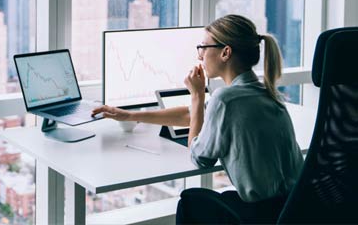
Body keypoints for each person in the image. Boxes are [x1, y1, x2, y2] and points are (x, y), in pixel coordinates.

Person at [91, 14, 304, 224]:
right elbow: (192, 115)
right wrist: (128, 115)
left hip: (261, 215)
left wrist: (197, 94)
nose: (199, 55)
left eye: (203, 47)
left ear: (225, 52)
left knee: (189, 201)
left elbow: (199, 158)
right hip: (293, 207)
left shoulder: (225, 99)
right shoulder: (265, 92)